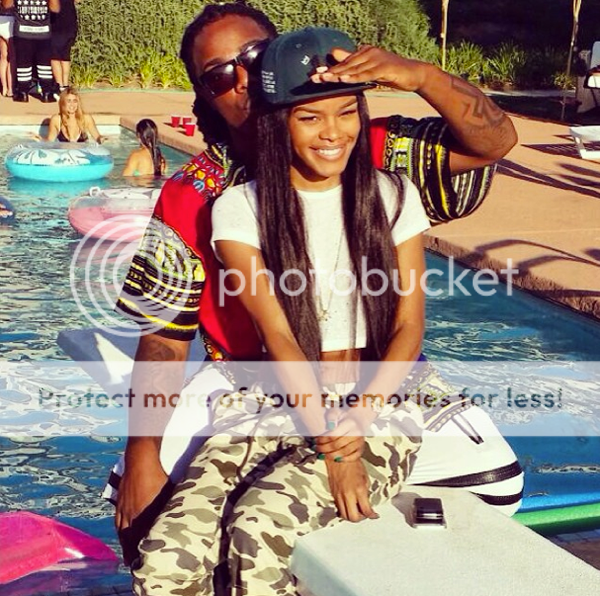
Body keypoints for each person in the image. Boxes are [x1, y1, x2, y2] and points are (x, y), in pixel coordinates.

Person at [111, 2, 521, 570]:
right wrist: (141, 455)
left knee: (498, 483)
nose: (244, 78)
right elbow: (163, 336)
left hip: (374, 376)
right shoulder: (194, 195)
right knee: (145, 507)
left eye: (254, 57)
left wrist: (420, 76)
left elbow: (491, 141)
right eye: (220, 74)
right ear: (204, 95)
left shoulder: (362, 149)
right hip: (251, 383)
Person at [1, 0, 60, 103]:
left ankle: (23, 93)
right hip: (42, 31)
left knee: (24, 64)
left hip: (23, 30)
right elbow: (55, 8)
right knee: (44, 64)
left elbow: (6, 5)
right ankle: (47, 93)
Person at [50, 0, 78, 91]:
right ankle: (65, 85)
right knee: (65, 54)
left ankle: (60, 85)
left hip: (55, 22)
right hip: (69, 21)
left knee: (54, 55)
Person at [0, 2, 13, 97]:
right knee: (12, 58)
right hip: (11, 20)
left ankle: (4, 87)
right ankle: (10, 88)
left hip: (1, 19)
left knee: (3, 57)